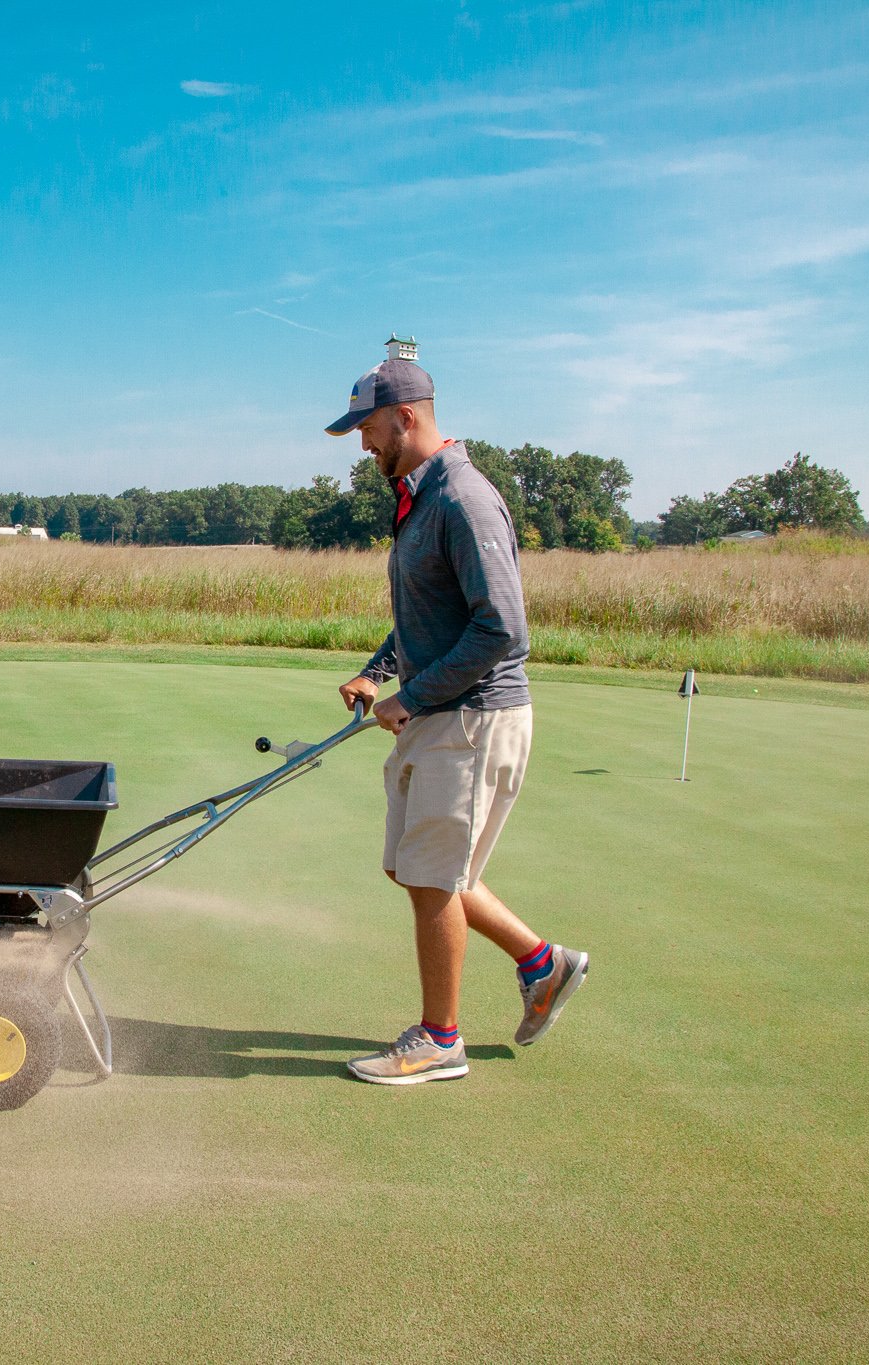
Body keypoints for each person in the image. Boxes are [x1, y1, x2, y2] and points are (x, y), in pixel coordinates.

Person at [326, 354, 587, 1085]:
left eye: (369, 428)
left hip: (472, 717)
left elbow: (502, 628)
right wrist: (379, 672)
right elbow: (431, 614)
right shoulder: (418, 497)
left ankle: (441, 1040)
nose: (363, 444)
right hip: (445, 712)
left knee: (434, 876)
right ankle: (544, 964)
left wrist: (413, 694)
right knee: (419, 868)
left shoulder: (463, 499)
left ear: (406, 416)